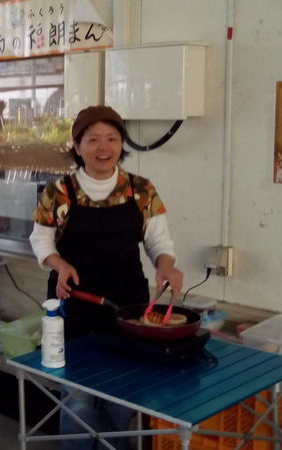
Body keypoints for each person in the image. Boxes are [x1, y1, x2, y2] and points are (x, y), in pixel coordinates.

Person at [29, 105, 183, 450]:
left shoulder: (141, 189)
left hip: (127, 306)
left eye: (112, 138)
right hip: (75, 302)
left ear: (121, 143)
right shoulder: (59, 191)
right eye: (93, 139)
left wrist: (165, 266)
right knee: (78, 397)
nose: (104, 147)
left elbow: (159, 242)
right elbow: (40, 240)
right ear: (77, 145)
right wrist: (59, 264)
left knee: (122, 393)